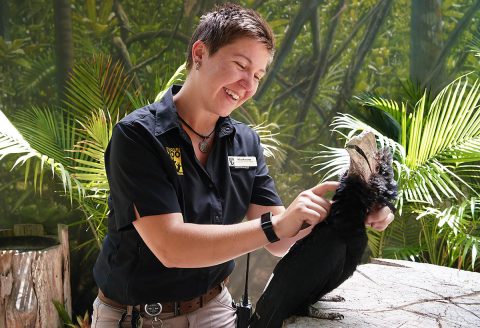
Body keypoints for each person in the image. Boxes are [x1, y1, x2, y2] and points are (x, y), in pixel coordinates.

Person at [90, 3, 394, 328]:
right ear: (199, 54)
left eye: (258, 76)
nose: (248, 86)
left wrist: (352, 208)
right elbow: (170, 246)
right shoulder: (139, 137)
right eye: (240, 65)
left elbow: (279, 242)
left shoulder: (245, 142)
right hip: (138, 318)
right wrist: (275, 226)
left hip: (216, 311)